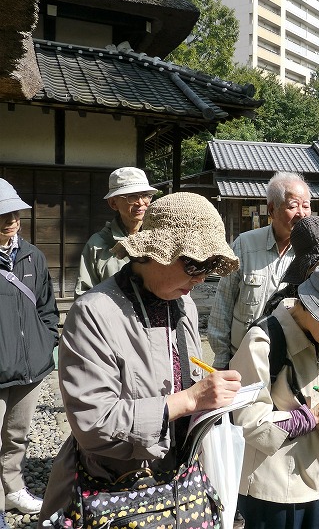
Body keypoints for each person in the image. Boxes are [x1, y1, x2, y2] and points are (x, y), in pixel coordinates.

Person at [38, 192, 244, 520]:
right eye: (194, 264)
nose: (201, 278)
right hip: (116, 493)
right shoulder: (94, 312)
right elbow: (94, 424)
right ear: (155, 253)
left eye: (209, 267)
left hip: (181, 487)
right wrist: (189, 400)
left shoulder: (185, 306)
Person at [230, 260, 319, 529]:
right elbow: (248, 424)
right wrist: (313, 415)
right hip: (274, 489)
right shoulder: (261, 342)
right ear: (309, 305)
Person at [208, 172, 311, 369]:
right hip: (243, 360)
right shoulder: (245, 245)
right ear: (272, 209)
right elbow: (223, 304)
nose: (301, 213)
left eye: (306, 205)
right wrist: (221, 361)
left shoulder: (312, 251)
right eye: (293, 206)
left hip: (290, 366)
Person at [0, 179, 58, 524]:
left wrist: (45, 341)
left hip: (30, 367)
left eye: (15, 213)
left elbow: (47, 308)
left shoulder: (32, 255)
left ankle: (13, 489)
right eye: (3, 214)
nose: (11, 220)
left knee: (17, 435)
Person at [74, 166, 158, 296]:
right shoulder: (97, 245)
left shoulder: (159, 238)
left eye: (146, 195)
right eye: (132, 196)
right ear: (113, 203)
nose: (141, 202)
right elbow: (84, 295)